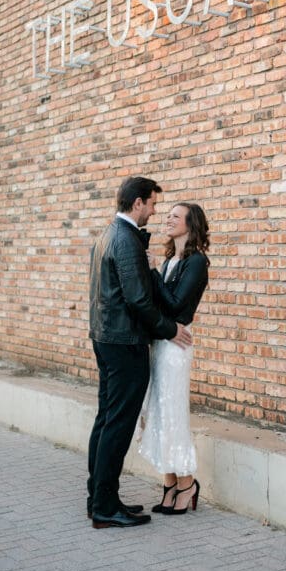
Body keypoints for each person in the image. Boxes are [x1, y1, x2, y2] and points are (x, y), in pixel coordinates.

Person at [87, 176, 192, 529]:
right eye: (152, 204)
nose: (154, 211)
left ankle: (99, 498)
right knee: (117, 424)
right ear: (137, 203)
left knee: (106, 419)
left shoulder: (108, 234)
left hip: (106, 338)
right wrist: (169, 329)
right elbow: (137, 299)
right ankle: (104, 507)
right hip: (124, 342)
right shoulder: (126, 239)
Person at [138, 202, 210, 515]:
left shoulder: (197, 262)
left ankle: (187, 484)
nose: (168, 219)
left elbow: (177, 306)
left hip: (176, 348)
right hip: (161, 343)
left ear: (191, 225)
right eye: (167, 215)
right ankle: (169, 483)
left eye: (175, 216)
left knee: (173, 416)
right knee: (158, 413)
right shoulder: (171, 260)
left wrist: (153, 272)